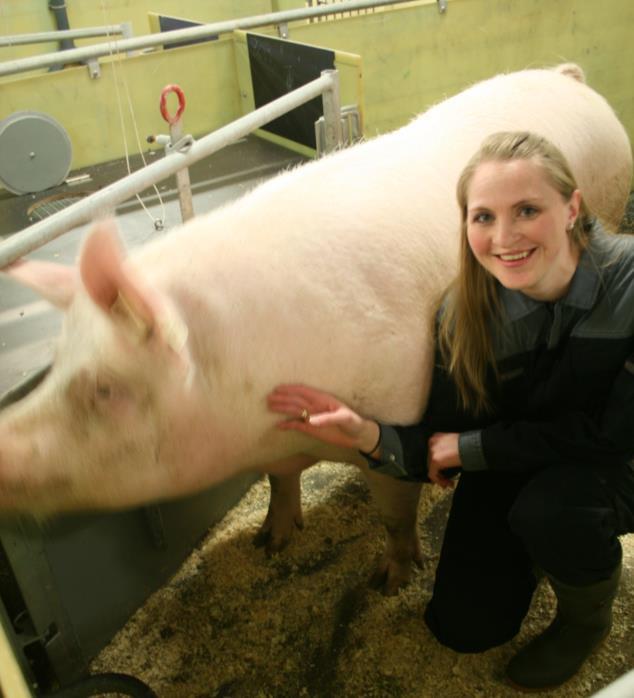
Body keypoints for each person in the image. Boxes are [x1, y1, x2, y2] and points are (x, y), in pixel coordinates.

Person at [267, 131, 634, 691]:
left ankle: (585, 619)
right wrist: (367, 434)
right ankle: (540, 551)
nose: (503, 237)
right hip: (520, 454)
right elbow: (440, 443)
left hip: (618, 459)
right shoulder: (464, 316)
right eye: (483, 217)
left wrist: (476, 450)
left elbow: (611, 436)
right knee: (461, 626)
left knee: (551, 510)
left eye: (527, 210)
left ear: (572, 208)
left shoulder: (628, 284)